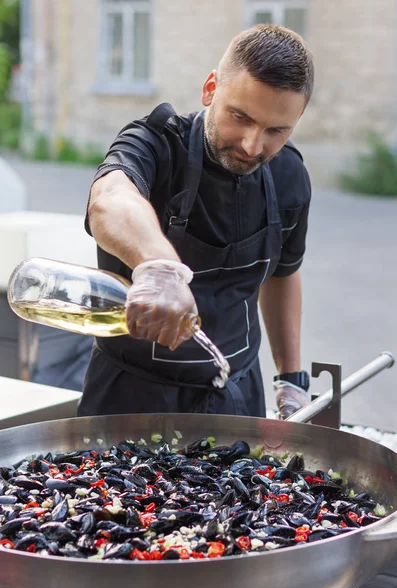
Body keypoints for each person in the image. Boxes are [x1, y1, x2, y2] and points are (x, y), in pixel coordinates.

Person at [78, 24, 314, 420]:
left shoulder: (289, 174)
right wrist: (160, 267)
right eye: (239, 117)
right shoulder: (153, 143)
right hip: (131, 398)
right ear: (210, 89)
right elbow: (110, 200)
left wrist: (291, 377)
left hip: (238, 395)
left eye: (276, 129)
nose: (252, 145)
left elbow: (284, 273)